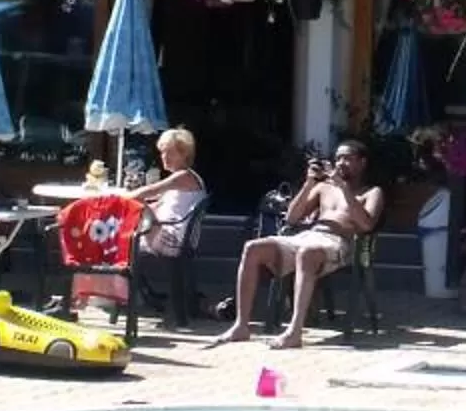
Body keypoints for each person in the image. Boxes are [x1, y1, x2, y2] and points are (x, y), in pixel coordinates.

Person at [205, 141, 381, 350]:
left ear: (362, 163)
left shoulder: (371, 192)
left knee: (307, 253)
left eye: (348, 158)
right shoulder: (324, 188)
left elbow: (366, 224)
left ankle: (294, 331)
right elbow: (292, 217)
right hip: (309, 235)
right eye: (338, 158)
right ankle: (241, 325)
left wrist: (343, 189)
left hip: (341, 242)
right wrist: (309, 183)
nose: (341, 163)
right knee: (253, 248)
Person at [132, 127, 209, 329]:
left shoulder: (182, 177)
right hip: (175, 237)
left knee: (120, 240)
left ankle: (133, 294)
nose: (164, 157)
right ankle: (142, 292)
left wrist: (121, 197)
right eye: (162, 151)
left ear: (184, 154)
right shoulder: (183, 178)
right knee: (127, 229)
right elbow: (158, 201)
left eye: (170, 152)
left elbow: (148, 192)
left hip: (172, 240)